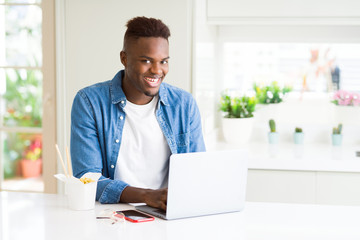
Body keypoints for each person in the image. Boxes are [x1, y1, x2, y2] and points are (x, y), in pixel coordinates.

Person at [70, 16, 206, 211]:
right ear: (124, 58)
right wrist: (147, 196)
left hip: (168, 213)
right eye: (146, 60)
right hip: (111, 216)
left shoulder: (184, 104)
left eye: (164, 61)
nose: (157, 70)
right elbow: (87, 178)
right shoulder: (89, 102)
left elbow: (198, 171)